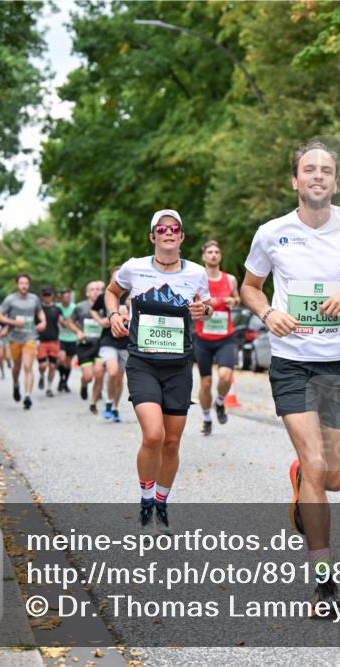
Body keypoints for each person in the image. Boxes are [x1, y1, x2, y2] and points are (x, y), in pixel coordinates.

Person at [241, 141, 340, 614]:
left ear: (336, 181)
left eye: (327, 170)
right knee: (316, 465)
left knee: (336, 478)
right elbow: (249, 287)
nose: (319, 176)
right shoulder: (271, 233)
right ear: (295, 180)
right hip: (292, 362)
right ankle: (324, 582)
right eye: (310, 169)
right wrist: (267, 313)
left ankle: (303, 478)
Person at [105, 209, 210, 533]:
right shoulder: (134, 268)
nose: (167, 232)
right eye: (161, 228)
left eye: (173, 228)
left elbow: (205, 309)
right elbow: (112, 292)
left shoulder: (195, 273)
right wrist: (113, 316)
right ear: (153, 236)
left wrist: (202, 309)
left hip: (179, 366)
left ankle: (162, 500)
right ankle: (146, 496)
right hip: (143, 363)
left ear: (181, 237)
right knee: (154, 435)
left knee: (172, 443)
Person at [193, 240, 241, 435]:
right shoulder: (198, 279)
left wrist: (234, 301)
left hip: (225, 337)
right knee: (205, 383)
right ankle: (206, 419)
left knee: (225, 375)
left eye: (216, 252)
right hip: (203, 338)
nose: (213, 255)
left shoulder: (230, 279)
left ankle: (220, 402)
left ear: (220, 256)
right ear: (204, 257)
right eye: (210, 252)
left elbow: (238, 299)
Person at [0, 274, 46, 410]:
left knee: (28, 366)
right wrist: (13, 322)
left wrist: (43, 321)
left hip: (30, 337)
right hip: (14, 338)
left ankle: (27, 396)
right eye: (21, 283)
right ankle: (15, 383)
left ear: (29, 285)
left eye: (26, 283)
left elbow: (40, 312)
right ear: (17, 284)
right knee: (16, 367)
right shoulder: (10, 299)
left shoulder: (34, 299)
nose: (24, 286)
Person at [69, 280, 107, 415]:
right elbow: (70, 321)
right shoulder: (80, 307)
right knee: (89, 376)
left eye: (98, 289)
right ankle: (84, 383)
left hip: (100, 345)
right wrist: (78, 332)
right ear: (87, 293)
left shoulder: (105, 307)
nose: (95, 291)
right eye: (92, 289)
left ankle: (93, 403)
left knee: (100, 373)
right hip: (84, 345)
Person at [97, 267, 129, 423]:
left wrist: (127, 316)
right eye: (116, 279)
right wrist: (102, 321)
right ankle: (109, 401)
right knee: (112, 371)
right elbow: (94, 310)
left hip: (125, 342)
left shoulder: (131, 296)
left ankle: (115, 407)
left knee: (119, 378)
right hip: (108, 340)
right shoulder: (106, 296)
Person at [37, 288, 62, 398]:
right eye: (45, 295)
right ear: (42, 296)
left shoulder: (56, 309)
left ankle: (49, 387)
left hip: (53, 340)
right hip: (41, 340)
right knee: (43, 365)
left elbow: (62, 321)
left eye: (49, 295)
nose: (47, 297)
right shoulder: (38, 309)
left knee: (52, 365)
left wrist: (65, 322)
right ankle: (42, 375)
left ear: (52, 295)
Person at [56, 289, 78, 393]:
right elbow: (59, 322)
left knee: (68, 362)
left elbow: (74, 322)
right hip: (61, 337)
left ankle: (65, 382)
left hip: (72, 338)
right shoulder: (58, 308)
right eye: (64, 297)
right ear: (61, 298)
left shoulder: (74, 307)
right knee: (62, 358)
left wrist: (67, 323)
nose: (66, 299)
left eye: (68, 297)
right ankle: (61, 379)